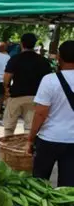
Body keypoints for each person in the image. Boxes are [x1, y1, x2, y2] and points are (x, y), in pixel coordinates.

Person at [28, 40, 74, 185]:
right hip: (72, 141)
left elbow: (40, 113)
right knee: (68, 185)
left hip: (49, 138)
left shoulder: (50, 80)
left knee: (39, 182)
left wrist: (31, 138)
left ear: (59, 57)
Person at [4, 33, 53, 137]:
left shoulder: (15, 58)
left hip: (16, 95)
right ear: (34, 44)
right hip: (35, 97)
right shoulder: (43, 61)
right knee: (29, 128)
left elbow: (7, 77)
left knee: (9, 127)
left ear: (21, 44)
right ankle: (26, 150)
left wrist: (6, 89)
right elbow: (49, 80)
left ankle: (7, 150)